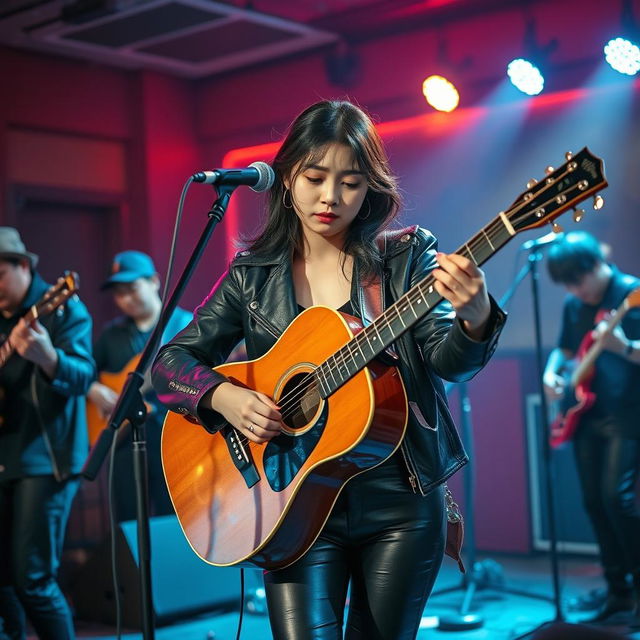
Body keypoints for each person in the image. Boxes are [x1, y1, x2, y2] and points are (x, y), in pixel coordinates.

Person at [151, 99, 506, 640]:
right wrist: (225, 397)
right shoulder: (253, 276)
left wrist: (476, 317)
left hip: (399, 501)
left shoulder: (405, 258)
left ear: (370, 190)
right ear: (288, 175)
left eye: (351, 182)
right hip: (291, 499)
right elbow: (169, 365)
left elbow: (445, 360)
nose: (330, 197)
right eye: (315, 177)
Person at [0, 227, 95, 640]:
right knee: (3, 581)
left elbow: (83, 377)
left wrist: (48, 358)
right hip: (7, 455)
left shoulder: (62, 308)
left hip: (45, 458)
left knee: (32, 579)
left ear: (22, 266)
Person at [543, 231, 640, 626]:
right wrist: (551, 373)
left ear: (597, 265)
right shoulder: (573, 306)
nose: (574, 290)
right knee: (594, 504)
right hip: (586, 415)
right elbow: (564, 351)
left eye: (578, 280)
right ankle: (618, 593)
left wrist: (625, 349)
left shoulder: (631, 295)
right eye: (567, 284)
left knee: (617, 500)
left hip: (628, 413)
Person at [87, 250, 191, 522]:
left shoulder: (186, 326)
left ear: (155, 281)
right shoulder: (112, 334)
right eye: (119, 294)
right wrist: (94, 390)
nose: (125, 299)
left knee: (175, 517)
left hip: (173, 440)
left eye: (132, 289)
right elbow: (83, 371)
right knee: (128, 520)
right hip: (124, 444)